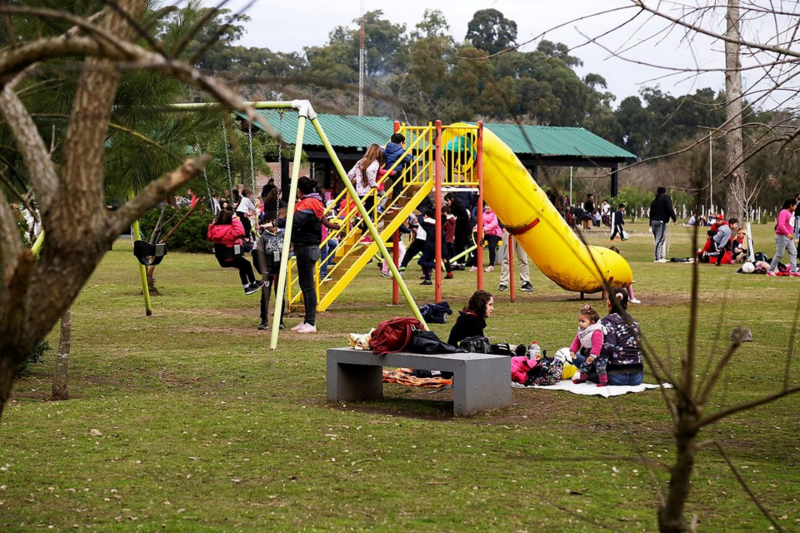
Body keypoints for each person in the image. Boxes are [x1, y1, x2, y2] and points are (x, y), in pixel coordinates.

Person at [291, 176, 341, 333]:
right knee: (305, 286)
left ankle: (311, 322)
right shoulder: (316, 202)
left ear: (299, 190)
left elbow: (296, 221)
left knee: (308, 287)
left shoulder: (308, 204)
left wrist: (281, 220)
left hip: (307, 247)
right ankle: (307, 320)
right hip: (306, 247)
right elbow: (322, 220)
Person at [595, 288, 644, 386]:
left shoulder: (607, 321)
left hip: (615, 376)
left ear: (609, 303)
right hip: (637, 377)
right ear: (627, 304)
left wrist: (590, 352)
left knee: (580, 358)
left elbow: (609, 346)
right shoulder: (634, 322)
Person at [207, 209, 261, 295]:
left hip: (222, 258)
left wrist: (212, 224)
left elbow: (209, 236)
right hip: (230, 256)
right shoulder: (229, 229)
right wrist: (235, 219)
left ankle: (250, 285)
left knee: (244, 265)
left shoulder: (214, 229)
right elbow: (241, 231)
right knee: (245, 264)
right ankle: (250, 285)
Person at [254, 218, 286, 330]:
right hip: (267, 271)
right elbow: (258, 253)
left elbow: (290, 248)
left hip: (280, 270)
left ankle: (280, 320)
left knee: (280, 295)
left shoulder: (283, 235)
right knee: (265, 295)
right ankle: (264, 320)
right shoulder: (263, 238)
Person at [347, 144, 383, 232]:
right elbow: (369, 171)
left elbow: (350, 174)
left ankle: (359, 222)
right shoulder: (375, 163)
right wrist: (373, 184)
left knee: (364, 210)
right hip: (369, 192)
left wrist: (354, 180)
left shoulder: (360, 161)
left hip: (359, 191)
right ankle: (365, 229)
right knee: (371, 209)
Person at [570, 305, 608, 387]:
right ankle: (583, 378)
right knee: (584, 365)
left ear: (592, 322)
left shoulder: (596, 331)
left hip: (600, 353)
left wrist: (593, 355)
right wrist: (573, 350)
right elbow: (577, 341)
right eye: (579, 321)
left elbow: (598, 345)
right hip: (589, 352)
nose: (580, 323)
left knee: (600, 366)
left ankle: (603, 381)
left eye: (583, 321)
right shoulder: (582, 331)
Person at [768, 198, 800, 278]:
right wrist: (787, 233)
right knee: (779, 254)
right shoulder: (783, 212)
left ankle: (793, 271)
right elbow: (781, 225)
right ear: (790, 205)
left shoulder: (790, 213)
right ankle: (770, 270)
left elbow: (790, 224)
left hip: (788, 237)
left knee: (793, 252)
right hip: (782, 236)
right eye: (795, 205)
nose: (796, 207)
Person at [498, 228, 533, 292]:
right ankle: (503, 282)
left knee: (523, 258)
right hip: (508, 229)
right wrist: (503, 227)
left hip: (522, 230)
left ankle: (525, 282)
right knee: (507, 258)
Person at [649, 186, 677, 262]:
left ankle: (659, 256)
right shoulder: (665, 198)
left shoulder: (654, 201)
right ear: (664, 192)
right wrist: (674, 218)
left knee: (658, 239)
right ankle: (657, 258)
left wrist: (650, 224)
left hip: (653, 221)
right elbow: (669, 208)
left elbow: (651, 213)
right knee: (660, 239)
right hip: (660, 221)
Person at [445, 193, 471, 265]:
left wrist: (456, 219)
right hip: (458, 229)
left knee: (460, 245)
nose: (447, 202)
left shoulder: (460, 206)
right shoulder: (452, 207)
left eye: (448, 200)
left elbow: (465, 217)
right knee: (457, 245)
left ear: (452, 199)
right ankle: (458, 261)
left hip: (464, 229)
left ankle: (461, 262)